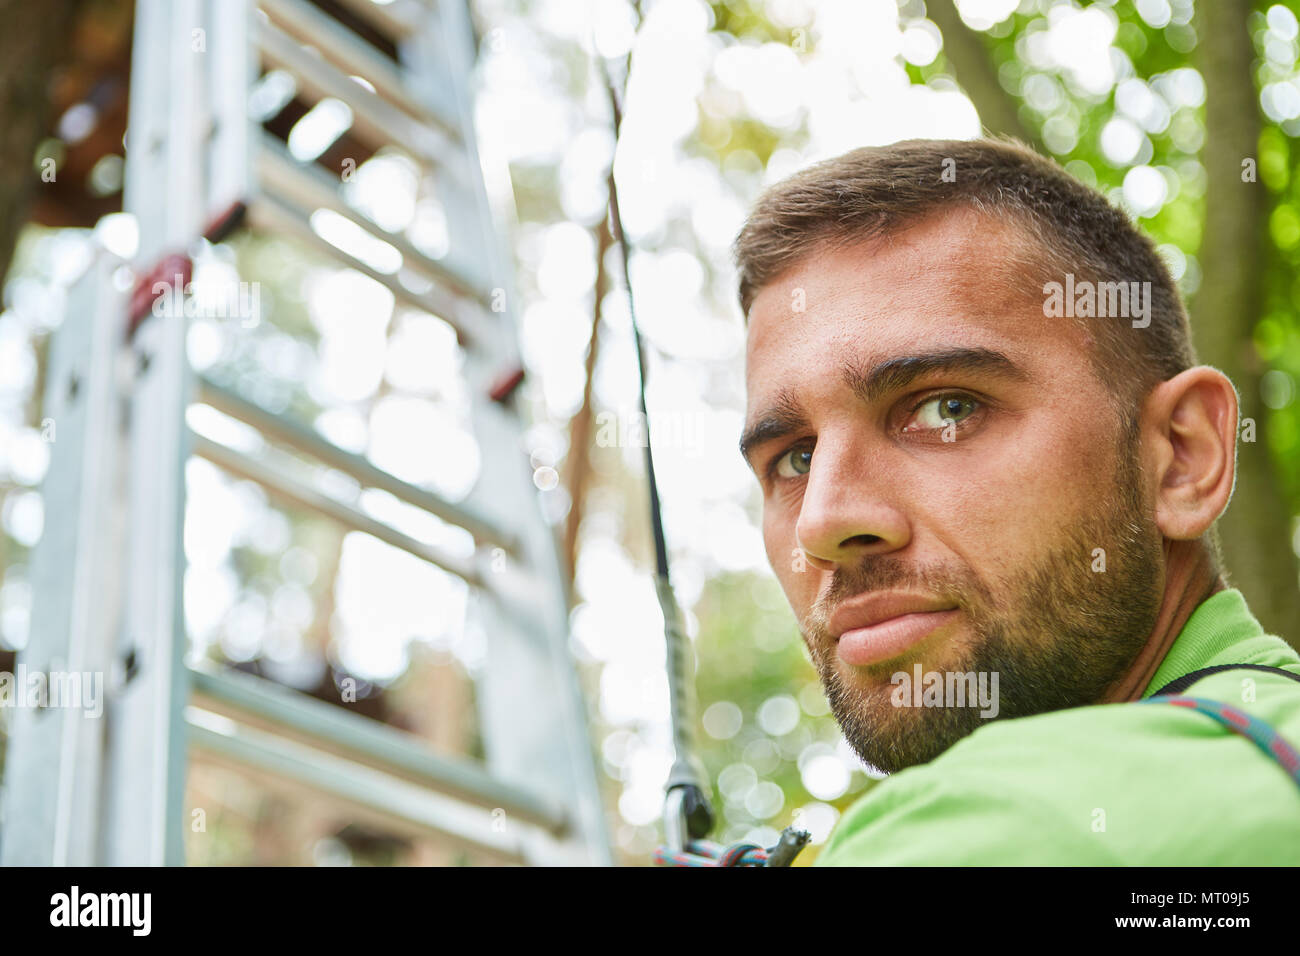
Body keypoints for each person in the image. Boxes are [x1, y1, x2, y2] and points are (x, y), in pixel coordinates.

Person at [734, 137, 1300, 864]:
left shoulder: (991, 829)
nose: (824, 521)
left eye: (946, 409)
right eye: (797, 457)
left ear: (1183, 457)